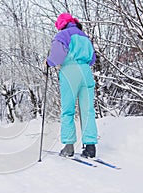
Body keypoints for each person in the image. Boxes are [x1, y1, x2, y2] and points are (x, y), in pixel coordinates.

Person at [45, 13, 98, 158]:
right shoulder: (85, 37)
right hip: (86, 72)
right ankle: (90, 147)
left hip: (70, 72)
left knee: (68, 110)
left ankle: (68, 146)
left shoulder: (63, 36)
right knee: (88, 110)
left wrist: (48, 62)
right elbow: (92, 59)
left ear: (61, 24)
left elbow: (56, 56)